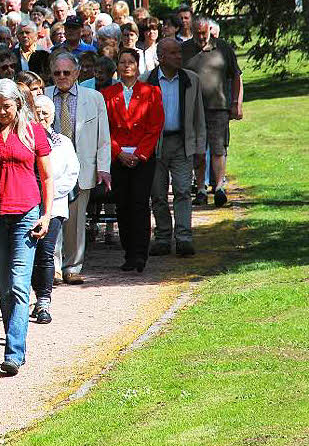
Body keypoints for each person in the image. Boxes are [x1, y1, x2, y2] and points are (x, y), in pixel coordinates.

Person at [0, 80, 53, 375]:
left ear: (18, 105)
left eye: (7, 106)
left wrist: (47, 214)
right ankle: (15, 340)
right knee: (3, 286)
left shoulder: (34, 132)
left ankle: (13, 351)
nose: (2, 111)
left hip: (26, 214)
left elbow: (47, 177)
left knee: (18, 284)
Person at [44, 53, 112, 285]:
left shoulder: (93, 98)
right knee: (52, 218)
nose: (62, 77)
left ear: (77, 72)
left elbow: (103, 138)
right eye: (57, 73)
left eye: (66, 72)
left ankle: (72, 266)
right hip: (50, 168)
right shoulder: (42, 97)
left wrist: (104, 168)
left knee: (75, 220)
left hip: (82, 168)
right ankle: (51, 267)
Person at [101, 49, 165, 272]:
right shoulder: (107, 94)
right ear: (117, 67)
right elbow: (104, 129)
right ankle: (128, 253)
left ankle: (140, 254)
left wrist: (139, 155)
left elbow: (155, 126)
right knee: (123, 205)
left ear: (137, 66)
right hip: (118, 156)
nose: (126, 66)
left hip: (142, 157)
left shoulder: (152, 91)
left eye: (131, 62)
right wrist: (119, 153)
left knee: (140, 204)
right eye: (122, 62)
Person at [147, 39, 206, 257]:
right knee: (158, 194)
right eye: (173, 53)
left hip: (182, 142)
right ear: (161, 57)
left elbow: (199, 116)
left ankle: (184, 237)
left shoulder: (191, 80)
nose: (179, 56)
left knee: (182, 190)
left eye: (179, 52)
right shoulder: (148, 81)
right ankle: (163, 237)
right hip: (156, 145)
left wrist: (200, 147)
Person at [28, 97, 79, 324]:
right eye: (36, 112)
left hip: (55, 205)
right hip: (27, 204)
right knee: (29, 253)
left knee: (46, 252)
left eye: (45, 113)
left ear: (53, 115)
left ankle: (44, 301)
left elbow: (72, 172)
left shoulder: (63, 142)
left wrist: (50, 194)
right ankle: (28, 297)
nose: (41, 116)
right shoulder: (25, 139)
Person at [182, 16, 243, 206]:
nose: (201, 37)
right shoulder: (184, 50)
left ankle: (218, 187)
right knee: (198, 151)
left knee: (218, 148)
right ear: (192, 31)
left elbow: (236, 76)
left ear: (209, 30)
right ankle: (200, 189)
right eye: (197, 33)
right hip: (193, 108)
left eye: (204, 32)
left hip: (219, 106)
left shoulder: (223, 48)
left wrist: (236, 103)